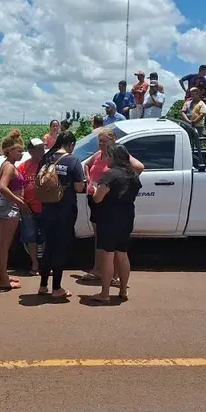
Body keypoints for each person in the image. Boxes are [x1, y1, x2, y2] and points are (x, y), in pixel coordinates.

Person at [82, 129, 145, 286]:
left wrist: (122, 183)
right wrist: (90, 180)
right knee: (100, 239)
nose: (102, 144)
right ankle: (99, 270)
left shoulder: (119, 156)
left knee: (113, 246)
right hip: (97, 199)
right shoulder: (98, 154)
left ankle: (113, 278)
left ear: (114, 141)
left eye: (105, 141)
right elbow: (87, 165)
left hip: (109, 203)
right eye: (100, 141)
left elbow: (139, 167)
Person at [90, 144, 142, 303]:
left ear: (114, 157)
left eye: (109, 156)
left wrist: (93, 190)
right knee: (122, 254)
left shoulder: (110, 175)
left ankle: (104, 293)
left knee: (107, 255)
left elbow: (98, 198)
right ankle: (123, 290)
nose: (107, 159)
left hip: (109, 218)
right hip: (127, 217)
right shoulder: (132, 175)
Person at [38, 131, 85, 299]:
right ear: (71, 145)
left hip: (46, 208)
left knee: (47, 246)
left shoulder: (47, 158)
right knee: (60, 249)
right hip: (65, 210)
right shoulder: (73, 161)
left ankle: (43, 285)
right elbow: (80, 188)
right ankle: (56, 288)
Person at [0, 130, 27, 290]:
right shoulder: (9, 167)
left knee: (3, 243)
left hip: (6, 204)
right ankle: (2, 279)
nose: (21, 153)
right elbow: (1, 186)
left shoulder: (6, 165)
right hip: (9, 205)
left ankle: (3, 275)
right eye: (18, 150)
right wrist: (18, 200)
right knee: (4, 244)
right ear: (9, 151)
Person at [18, 138, 46, 275]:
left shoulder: (48, 165)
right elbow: (18, 187)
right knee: (30, 236)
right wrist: (22, 203)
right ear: (31, 151)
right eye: (39, 149)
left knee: (47, 237)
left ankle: (46, 264)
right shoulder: (23, 167)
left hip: (46, 208)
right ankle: (35, 264)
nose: (42, 151)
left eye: (43, 148)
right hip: (29, 208)